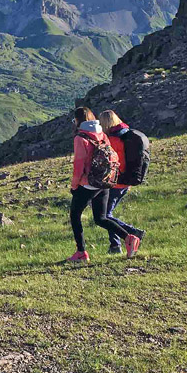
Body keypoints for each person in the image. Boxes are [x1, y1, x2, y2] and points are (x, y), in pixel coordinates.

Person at [67, 107, 138, 262]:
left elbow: (79, 165)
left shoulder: (80, 138)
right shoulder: (102, 134)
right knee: (101, 218)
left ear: (77, 121)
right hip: (104, 182)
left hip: (88, 183)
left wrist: (74, 186)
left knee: (75, 216)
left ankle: (81, 253)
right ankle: (129, 238)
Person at [99, 110, 146, 257]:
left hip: (115, 182)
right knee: (107, 214)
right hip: (125, 182)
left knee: (104, 216)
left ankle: (131, 233)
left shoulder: (111, 140)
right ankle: (115, 246)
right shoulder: (126, 134)